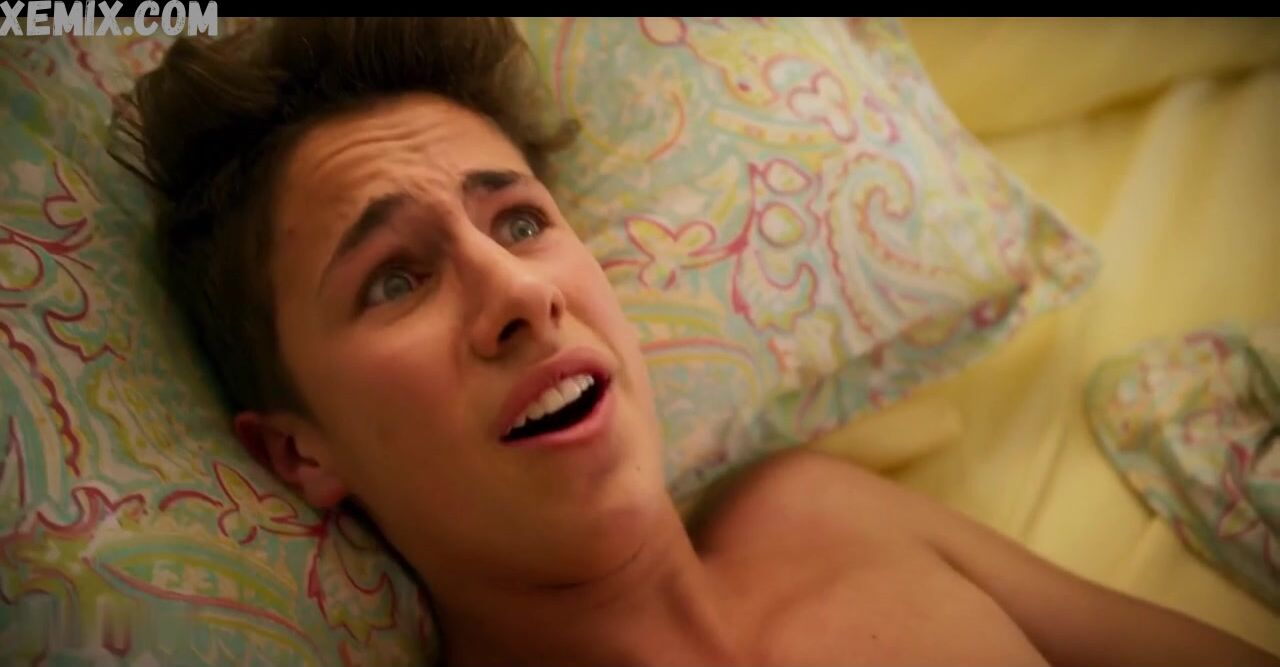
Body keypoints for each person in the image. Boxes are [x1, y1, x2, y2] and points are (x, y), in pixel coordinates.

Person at [109, 17, 1279, 667]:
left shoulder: (820, 513)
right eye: (394, 278)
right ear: (299, 451)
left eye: (518, 221)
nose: (519, 292)